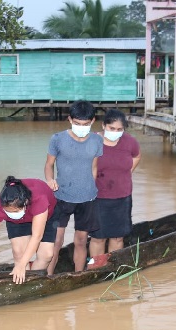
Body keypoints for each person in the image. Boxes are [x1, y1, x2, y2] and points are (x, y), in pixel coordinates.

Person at [44, 100, 104, 274]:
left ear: (92, 121)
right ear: (69, 119)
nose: (81, 127)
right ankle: (48, 276)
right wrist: (49, 179)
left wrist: (91, 188)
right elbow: (49, 164)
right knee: (56, 241)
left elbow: (94, 167)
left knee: (81, 240)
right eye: (77, 123)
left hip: (87, 199)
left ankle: (78, 275)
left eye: (85, 124)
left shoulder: (97, 141)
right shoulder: (57, 139)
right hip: (61, 196)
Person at [0, 176, 58, 284]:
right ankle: (22, 281)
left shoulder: (39, 199)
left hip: (46, 214)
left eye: (15, 211)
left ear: (25, 203)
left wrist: (21, 265)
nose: (13, 214)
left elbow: (37, 236)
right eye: (8, 211)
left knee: (46, 255)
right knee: (19, 253)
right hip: (18, 223)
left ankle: (32, 281)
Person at [89, 109, 141, 258]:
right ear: (103, 126)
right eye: (112, 128)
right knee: (98, 237)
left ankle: (114, 267)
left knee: (117, 237)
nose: (115, 132)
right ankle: (96, 267)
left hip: (122, 197)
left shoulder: (130, 141)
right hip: (98, 197)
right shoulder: (92, 141)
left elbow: (137, 156)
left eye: (119, 129)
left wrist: (127, 172)